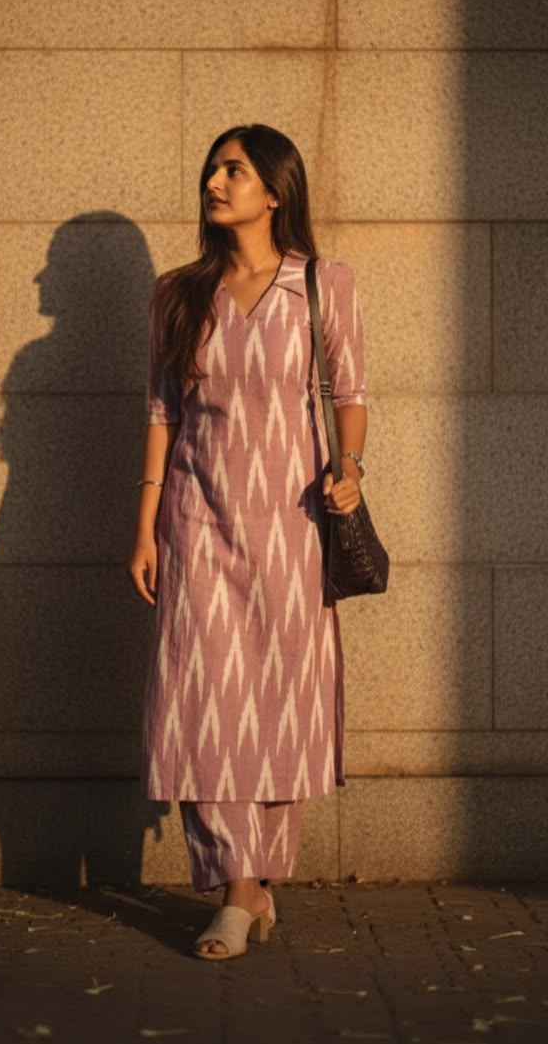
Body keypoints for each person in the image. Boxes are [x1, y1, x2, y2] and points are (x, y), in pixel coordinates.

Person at [128, 124, 367, 960]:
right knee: (201, 698)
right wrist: (145, 525)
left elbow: (349, 393)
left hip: (291, 525)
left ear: (275, 191)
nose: (216, 181)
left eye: (234, 170)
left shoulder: (321, 284)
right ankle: (237, 886)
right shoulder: (178, 293)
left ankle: (253, 879)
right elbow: (162, 411)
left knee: (277, 700)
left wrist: (350, 468)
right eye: (213, 168)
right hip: (196, 520)